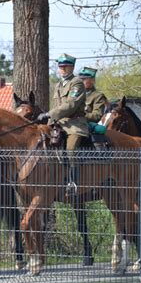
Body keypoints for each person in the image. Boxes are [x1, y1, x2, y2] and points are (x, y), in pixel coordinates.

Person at [37, 53, 89, 194]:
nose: (63, 69)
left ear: (72, 67)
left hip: (74, 124)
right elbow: (57, 105)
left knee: (70, 149)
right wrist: (47, 122)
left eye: (66, 66)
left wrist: (50, 113)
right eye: (61, 66)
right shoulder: (58, 85)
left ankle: (73, 182)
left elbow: (71, 105)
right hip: (58, 124)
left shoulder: (77, 83)